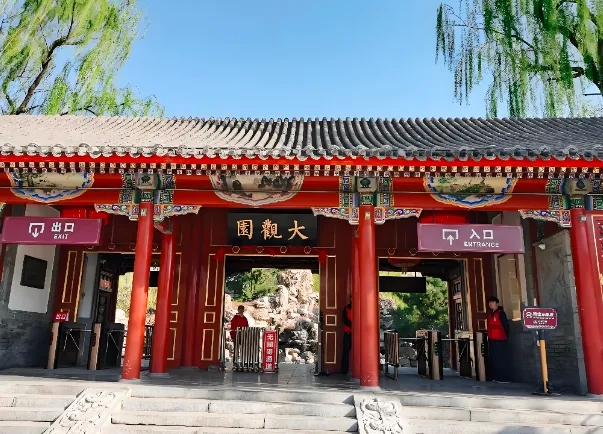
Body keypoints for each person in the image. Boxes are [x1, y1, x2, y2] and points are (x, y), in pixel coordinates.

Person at [487, 296, 511, 383]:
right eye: (489, 302)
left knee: (501, 359)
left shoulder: (501, 313)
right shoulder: (490, 314)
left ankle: (503, 378)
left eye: (492, 302)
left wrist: (504, 336)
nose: (490, 304)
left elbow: (506, 326)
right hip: (492, 340)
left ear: (497, 303)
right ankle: (496, 376)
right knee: (494, 359)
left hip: (500, 340)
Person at [341, 302, 352, 375]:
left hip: (353, 332)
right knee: (346, 351)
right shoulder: (346, 309)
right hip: (348, 332)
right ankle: (344, 369)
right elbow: (345, 320)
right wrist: (354, 325)